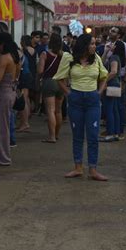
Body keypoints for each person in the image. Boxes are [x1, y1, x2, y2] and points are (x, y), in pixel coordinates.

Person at [54, 34, 109, 181]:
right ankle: (78, 167)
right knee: (77, 136)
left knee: (93, 136)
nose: (94, 46)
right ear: (84, 45)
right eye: (91, 44)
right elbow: (59, 78)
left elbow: (104, 76)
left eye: (94, 44)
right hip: (76, 99)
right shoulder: (69, 58)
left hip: (92, 100)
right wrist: (69, 93)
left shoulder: (96, 58)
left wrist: (99, 93)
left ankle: (93, 169)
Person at [0, 37, 21, 166]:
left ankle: (0, 157)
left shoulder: (4, 58)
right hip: (11, 92)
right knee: (4, 125)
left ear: (3, 44)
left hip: (2, 93)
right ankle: (1, 155)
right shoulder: (15, 58)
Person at [38, 33, 64, 143]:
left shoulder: (45, 54)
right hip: (61, 83)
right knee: (58, 111)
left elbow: (40, 71)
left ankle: (52, 136)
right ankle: (57, 134)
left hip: (49, 82)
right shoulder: (63, 55)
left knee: (50, 111)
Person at [100, 38, 124, 142]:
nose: (111, 45)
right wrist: (106, 51)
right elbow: (101, 62)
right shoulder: (116, 57)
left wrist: (105, 81)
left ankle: (110, 132)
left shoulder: (114, 57)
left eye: (113, 44)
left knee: (109, 109)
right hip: (116, 84)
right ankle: (116, 132)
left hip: (111, 84)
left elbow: (113, 71)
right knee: (114, 109)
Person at [17, 35, 35, 131]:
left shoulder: (22, 51)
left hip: (23, 75)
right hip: (30, 74)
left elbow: (19, 64)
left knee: (23, 99)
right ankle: (26, 120)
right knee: (26, 98)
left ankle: (24, 122)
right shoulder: (33, 50)